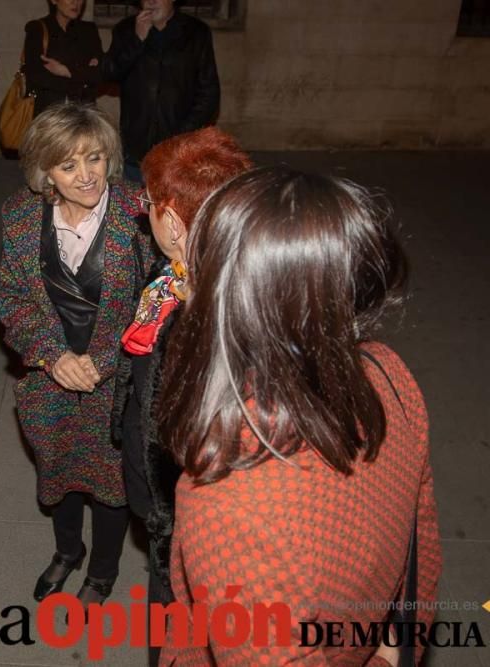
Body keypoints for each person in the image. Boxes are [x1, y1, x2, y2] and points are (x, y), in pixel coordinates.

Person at [155, 166, 441, 665]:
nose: (189, 285)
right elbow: (423, 551)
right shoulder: (390, 375)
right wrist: (397, 645)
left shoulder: (229, 506)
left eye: (204, 268)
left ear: (234, 301)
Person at [0, 103, 150, 609]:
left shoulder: (139, 216)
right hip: (49, 381)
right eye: (68, 165)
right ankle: (67, 551)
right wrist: (52, 355)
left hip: (117, 383)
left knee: (110, 486)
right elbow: (12, 301)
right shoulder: (20, 217)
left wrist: (102, 360)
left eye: (96, 159)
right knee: (58, 471)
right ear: (46, 172)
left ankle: (103, 573)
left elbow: (155, 304)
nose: (86, 176)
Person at [111, 126, 251, 666]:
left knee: (176, 631)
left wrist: (164, 519)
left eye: (148, 203)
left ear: (171, 222)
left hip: (185, 518)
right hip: (167, 499)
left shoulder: (210, 320)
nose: (141, 211)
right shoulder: (179, 274)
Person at [102, 0, 220, 182]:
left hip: (179, 149)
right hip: (136, 147)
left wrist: (181, 136)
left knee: (171, 207)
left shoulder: (196, 32)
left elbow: (209, 93)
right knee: (136, 207)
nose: (151, 1)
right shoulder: (125, 29)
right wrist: (137, 40)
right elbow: (109, 73)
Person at [23, 0, 102, 118]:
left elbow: (100, 74)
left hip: (83, 115)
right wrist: (82, 77)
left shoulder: (89, 31)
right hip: (49, 116)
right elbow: (36, 76)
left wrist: (66, 71)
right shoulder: (37, 29)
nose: (76, 2)